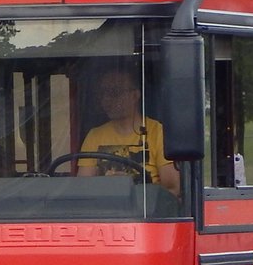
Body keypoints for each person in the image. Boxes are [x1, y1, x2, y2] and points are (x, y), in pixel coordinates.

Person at [77, 69, 180, 197]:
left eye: (114, 92)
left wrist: (131, 186)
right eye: (102, 94)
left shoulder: (157, 132)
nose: (106, 100)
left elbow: (172, 189)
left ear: (135, 95)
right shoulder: (94, 136)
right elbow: (83, 189)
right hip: (105, 212)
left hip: (147, 213)